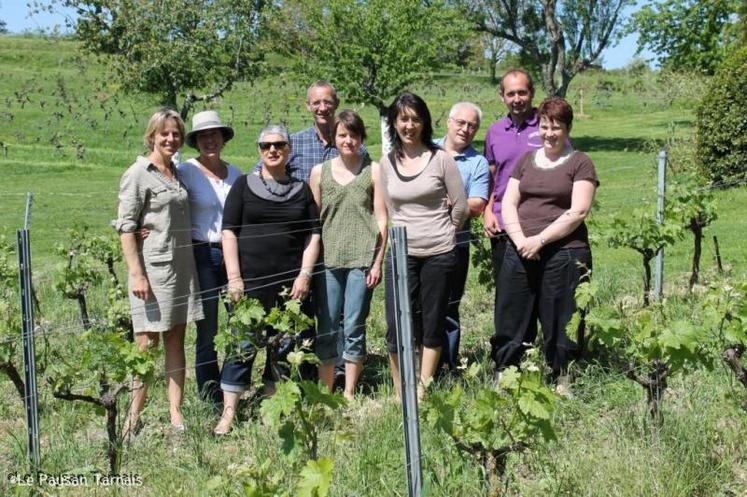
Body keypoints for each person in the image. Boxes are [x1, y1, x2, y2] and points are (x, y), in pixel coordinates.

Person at [215, 124, 320, 434]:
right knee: (241, 347)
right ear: (259, 150)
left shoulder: (302, 190)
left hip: (290, 289)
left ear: (289, 150)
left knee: (284, 349)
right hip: (249, 286)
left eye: (279, 145)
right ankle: (229, 414)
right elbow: (229, 231)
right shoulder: (244, 186)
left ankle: (269, 411)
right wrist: (234, 278)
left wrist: (305, 275)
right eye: (266, 146)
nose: (273, 150)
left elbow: (313, 235)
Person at [492, 97, 598, 396]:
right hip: (520, 248)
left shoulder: (580, 162)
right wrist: (521, 240)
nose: (549, 133)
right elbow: (509, 203)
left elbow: (578, 211)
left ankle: (563, 375)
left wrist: (540, 240)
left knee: (561, 315)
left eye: (557, 127)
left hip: (564, 252)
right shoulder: (526, 160)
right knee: (511, 311)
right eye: (544, 126)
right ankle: (505, 373)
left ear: (567, 129)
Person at [115, 108, 203, 435]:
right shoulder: (138, 173)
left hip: (181, 268)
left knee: (176, 340)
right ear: (151, 135)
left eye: (176, 134)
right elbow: (126, 228)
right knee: (146, 343)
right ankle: (132, 418)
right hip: (152, 272)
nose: (171, 139)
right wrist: (137, 274)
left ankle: (175, 413)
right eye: (164, 133)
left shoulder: (175, 172)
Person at [380, 92, 468, 400]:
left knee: (432, 321)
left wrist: (443, 234)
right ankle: (399, 387)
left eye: (416, 119)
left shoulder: (441, 158)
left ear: (425, 123)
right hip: (401, 254)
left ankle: (422, 387)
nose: (409, 125)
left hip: (439, 254)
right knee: (396, 323)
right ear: (394, 122)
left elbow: (460, 207)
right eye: (403, 118)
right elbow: (390, 208)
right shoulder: (387, 162)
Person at [308, 110, 388, 401]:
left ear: (361, 137)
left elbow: (381, 219)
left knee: (354, 325)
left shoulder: (374, 170)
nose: (348, 140)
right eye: (342, 134)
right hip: (328, 260)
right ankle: (325, 391)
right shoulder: (320, 172)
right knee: (327, 326)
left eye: (353, 135)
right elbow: (313, 221)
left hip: (362, 259)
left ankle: (350, 392)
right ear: (334, 137)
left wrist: (377, 261)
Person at [177, 110, 242, 407]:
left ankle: (232, 386)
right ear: (196, 141)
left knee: (238, 323)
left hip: (232, 254)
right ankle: (209, 394)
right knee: (208, 328)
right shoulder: (185, 170)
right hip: (200, 252)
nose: (209, 140)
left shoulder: (237, 175)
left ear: (223, 139)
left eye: (214, 134)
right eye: (203, 136)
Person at [482, 68, 544, 364]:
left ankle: (537, 354)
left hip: (539, 224)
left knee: (540, 291)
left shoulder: (545, 126)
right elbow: (491, 178)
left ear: (532, 93)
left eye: (522, 92)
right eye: (511, 93)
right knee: (508, 297)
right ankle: (507, 361)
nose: (517, 98)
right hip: (503, 227)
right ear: (502, 96)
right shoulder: (494, 132)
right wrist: (486, 212)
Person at [434, 102, 489, 371]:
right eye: (461, 123)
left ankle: (446, 363)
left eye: (472, 126)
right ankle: (419, 361)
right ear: (448, 121)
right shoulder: (427, 149)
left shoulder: (477, 162)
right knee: (419, 305)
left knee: (449, 307)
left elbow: (477, 205)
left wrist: (451, 203)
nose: (466, 129)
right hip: (418, 243)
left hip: (455, 245)